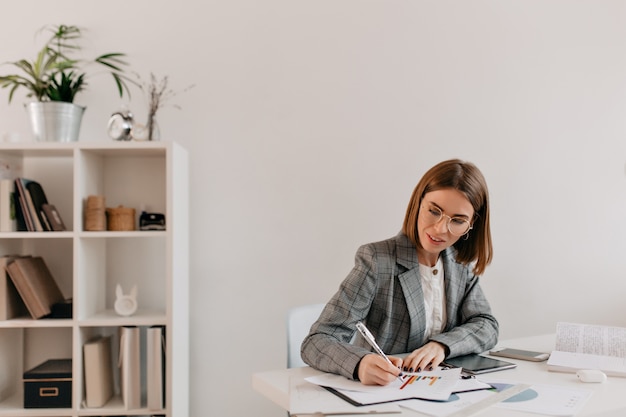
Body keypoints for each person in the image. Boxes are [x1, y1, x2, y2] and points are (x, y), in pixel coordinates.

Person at [301, 159, 498, 386]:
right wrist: (360, 364)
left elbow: (487, 325)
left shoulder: (459, 265)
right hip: (385, 393)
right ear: (418, 203)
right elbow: (317, 341)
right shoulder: (377, 260)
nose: (441, 229)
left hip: (440, 391)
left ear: (471, 224)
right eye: (434, 211)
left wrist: (442, 345)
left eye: (458, 220)